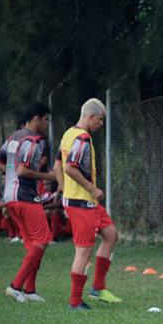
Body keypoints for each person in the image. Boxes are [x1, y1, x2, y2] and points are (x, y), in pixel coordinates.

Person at [54, 98, 121, 310]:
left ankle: (98, 287)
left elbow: (58, 164)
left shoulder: (68, 134)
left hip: (86, 201)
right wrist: (91, 189)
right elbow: (70, 167)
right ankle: (75, 301)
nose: (101, 124)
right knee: (83, 251)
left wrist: (64, 190)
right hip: (81, 203)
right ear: (90, 117)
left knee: (111, 234)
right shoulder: (82, 138)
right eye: (100, 120)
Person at [3, 103, 56, 303]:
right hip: (25, 195)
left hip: (10, 196)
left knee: (33, 244)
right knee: (43, 239)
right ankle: (15, 286)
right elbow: (23, 170)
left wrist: (9, 176)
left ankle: (30, 289)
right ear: (36, 118)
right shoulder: (31, 140)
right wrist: (46, 175)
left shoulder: (13, 137)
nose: (46, 123)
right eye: (45, 119)